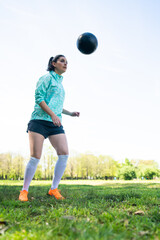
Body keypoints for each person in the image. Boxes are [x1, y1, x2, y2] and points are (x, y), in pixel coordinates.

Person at [19, 55, 80, 201]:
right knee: (35, 156)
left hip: (54, 123)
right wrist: (53, 115)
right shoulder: (46, 78)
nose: (65, 64)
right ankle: (24, 191)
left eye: (66, 62)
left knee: (64, 153)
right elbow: (39, 98)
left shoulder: (60, 84)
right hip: (39, 121)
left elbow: (57, 105)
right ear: (53, 64)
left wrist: (70, 113)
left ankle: (53, 189)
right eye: (62, 61)